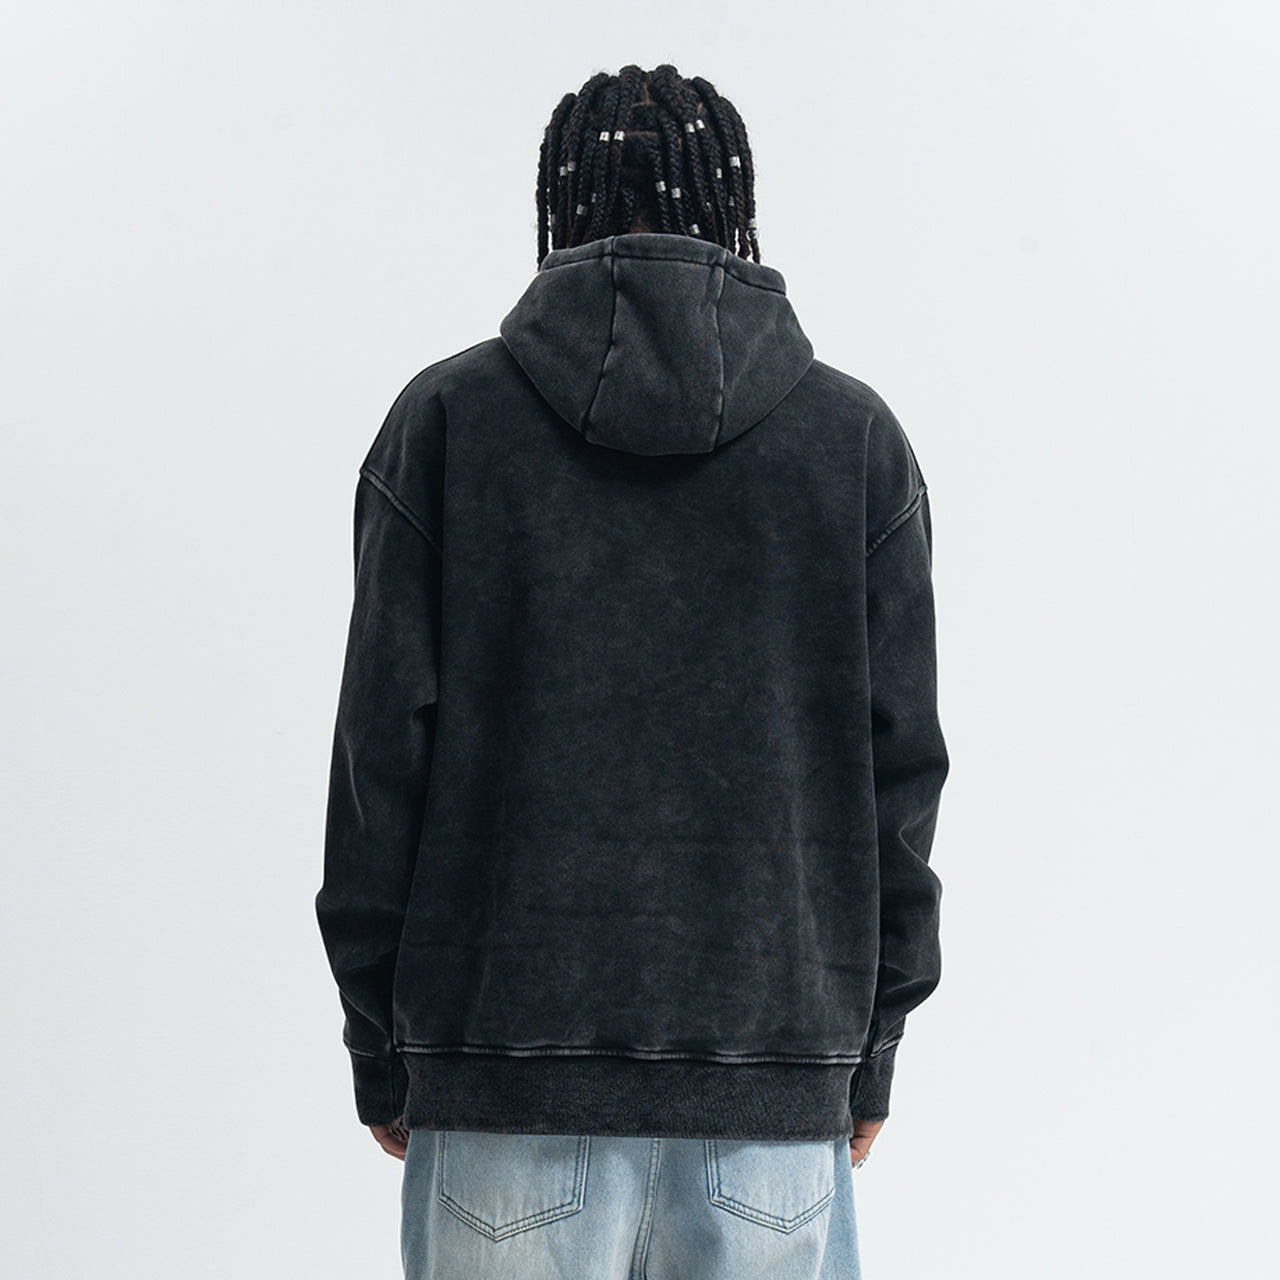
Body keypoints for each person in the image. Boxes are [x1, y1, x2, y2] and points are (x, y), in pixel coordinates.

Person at [314, 63, 949, 1280]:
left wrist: (381, 1050)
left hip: (500, 1085)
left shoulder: (447, 422)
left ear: (557, 204)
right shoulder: (853, 441)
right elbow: (900, 778)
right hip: (770, 1093)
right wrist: (867, 1053)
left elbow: (377, 766)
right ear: (735, 205)